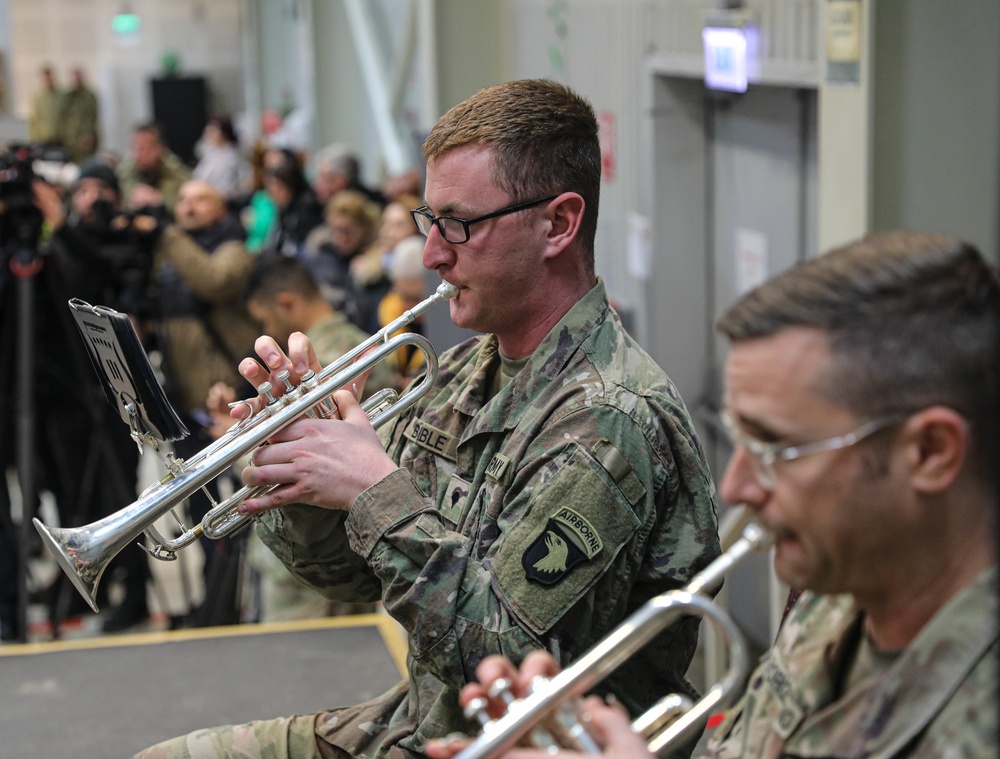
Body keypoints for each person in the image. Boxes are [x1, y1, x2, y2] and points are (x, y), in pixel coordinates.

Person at [134, 78, 720, 758]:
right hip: (422, 722)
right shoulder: (471, 370)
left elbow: (500, 665)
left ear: (558, 224)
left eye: (460, 224)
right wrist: (300, 469)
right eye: (429, 222)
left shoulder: (608, 419)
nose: (435, 253)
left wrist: (373, 489)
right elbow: (352, 576)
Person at [435, 231, 1000, 759]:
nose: (736, 487)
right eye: (741, 440)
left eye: (778, 447)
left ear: (929, 452)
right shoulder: (843, 588)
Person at [205, 256, 395, 622]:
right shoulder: (337, 343)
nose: (265, 327)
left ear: (287, 302)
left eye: (265, 318)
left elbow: (319, 464)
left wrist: (235, 446)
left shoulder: (331, 354)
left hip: (320, 570)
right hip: (301, 551)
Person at [150, 179, 260, 625]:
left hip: (228, 405)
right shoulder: (172, 256)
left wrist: (168, 236)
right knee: (200, 512)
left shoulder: (232, 247)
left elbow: (216, 282)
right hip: (186, 409)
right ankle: (212, 602)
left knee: (232, 514)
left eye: (200, 198)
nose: (188, 206)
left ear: (220, 207)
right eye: (183, 199)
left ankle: (228, 605)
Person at [118, 122, 192, 212]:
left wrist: (159, 201)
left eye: (145, 148)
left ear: (159, 148)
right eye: (135, 148)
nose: (139, 154)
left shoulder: (177, 173)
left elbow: (187, 207)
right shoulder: (124, 172)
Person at [193, 115, 250, 203]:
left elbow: (226, 187)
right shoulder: (210, 153)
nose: (208, 134)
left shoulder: (231, 156)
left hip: (223, 201)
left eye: (212, 131)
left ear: (223, 133)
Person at [312, 143, 386, 208]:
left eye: (323, 178)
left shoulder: (373, 209)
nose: (316, 185)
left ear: (341, 181)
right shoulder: (312, 205)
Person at [58, 67, 100, 164]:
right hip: (69, 140)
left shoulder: (89, 97)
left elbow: (93, 118)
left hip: (85, 140)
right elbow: (62, 118)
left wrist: (89, 134)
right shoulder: (67, 97)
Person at [27, 64, 61, 146]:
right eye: (46, 76)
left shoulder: (60, 96)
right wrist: (34, 137)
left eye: (50, 75)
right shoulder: (38, 97)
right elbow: (33, 119)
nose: (48, 78)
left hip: (59, 138)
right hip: (42, 138)